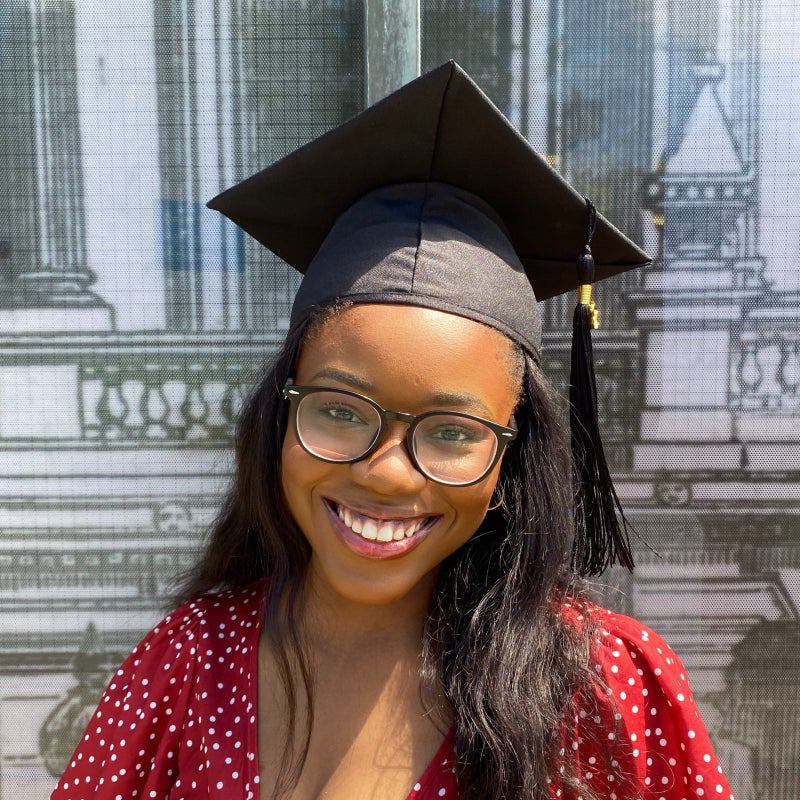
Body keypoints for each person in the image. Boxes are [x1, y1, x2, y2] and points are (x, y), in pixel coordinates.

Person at [50, 60, 737, 800]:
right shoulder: (187, 664)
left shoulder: (599, 687)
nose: (385, 472)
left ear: (510, 459)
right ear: (280, 416)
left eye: (452, 431)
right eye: (341, 411)